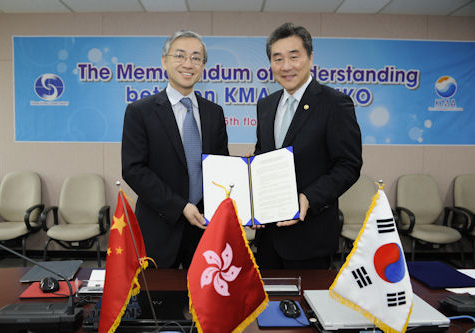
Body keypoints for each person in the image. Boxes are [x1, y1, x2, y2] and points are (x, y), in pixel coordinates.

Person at [254, 22, 362, 269]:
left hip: (310, 237)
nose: (286, 66)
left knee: (306, 306)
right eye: (277, 59)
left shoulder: (335, 104)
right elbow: (264, 152)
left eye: (294, 57)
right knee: (266, 305)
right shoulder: (266, 106)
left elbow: (348, 165)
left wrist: (309, 198)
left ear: (310, 58)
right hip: (268, 236)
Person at [122, 30, 229, 268]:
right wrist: (180, 206)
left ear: (203, 66)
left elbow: (220, 166)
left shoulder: (214, 113)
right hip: (158, 229)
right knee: (160, 303)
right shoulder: (140, 112)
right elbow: (133, 170)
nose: (187, 64)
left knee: (206, 303)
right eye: (180, 56)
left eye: (196, 58)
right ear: (164, 61)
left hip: (205, 228)